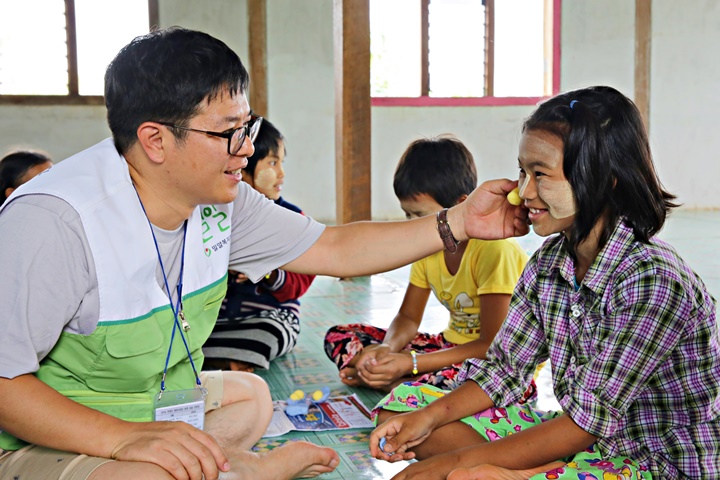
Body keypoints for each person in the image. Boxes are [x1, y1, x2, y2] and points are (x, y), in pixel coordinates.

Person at [0, 27, 529, 480]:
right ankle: (235, 468)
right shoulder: (54, 222)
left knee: (250, 397)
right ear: (155, 140)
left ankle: (230, 466)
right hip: (48, 431)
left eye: (246, 127)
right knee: (152, 474)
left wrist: (459, 222)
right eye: (227, 133)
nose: (247, 149)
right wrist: (123, 439)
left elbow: (334, 247)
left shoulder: (217, 199)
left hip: (146, 403)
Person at [368, 86, 720, 480]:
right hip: (586, 442)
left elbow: (586, 422)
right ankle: (536, 467)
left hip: (654, 462)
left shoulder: (652, 281)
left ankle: (524, 470)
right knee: (401, 413)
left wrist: (450, 465)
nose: (523, 193)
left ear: (605, 178)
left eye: (540, 174)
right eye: (522, 172)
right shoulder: (550, 262)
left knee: (469, 474)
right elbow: (503, 370)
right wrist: (429, 418)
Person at [324, 136, 529, 393]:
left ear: (461, 204)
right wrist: (387, 349)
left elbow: (490, 345)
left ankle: (398, 383)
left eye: (420, 214)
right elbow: (408, 317)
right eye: (407, 214)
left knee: (474, 384)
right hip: (446, 348)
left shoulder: (495, 251)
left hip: (497, 363)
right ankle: (401, 384)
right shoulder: (428, 248)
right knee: (339, 335)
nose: (413, 224)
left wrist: (411, 363)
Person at [203, 118, 316, 372]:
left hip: (264, 317)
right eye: (273, 163)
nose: (281, 173)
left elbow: (298, 284)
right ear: (243, 168)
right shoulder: (212, 214)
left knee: (273, 330)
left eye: (281, 162)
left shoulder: (291, 218)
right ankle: (227, 357)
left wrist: (267, 272)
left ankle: (221, 358)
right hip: (216, 320)